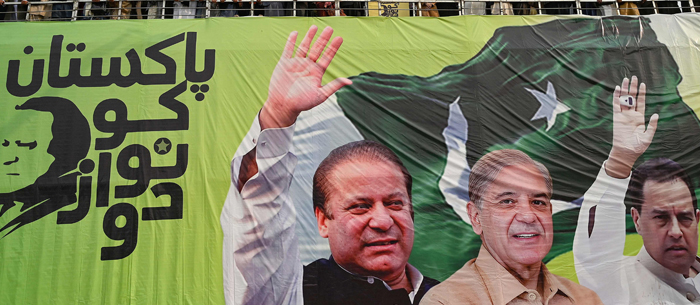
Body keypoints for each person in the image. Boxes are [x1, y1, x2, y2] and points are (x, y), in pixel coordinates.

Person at [221, 25, 440, 305]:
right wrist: (277, 116)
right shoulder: (295, 293)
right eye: (360, 206)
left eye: (395, 204)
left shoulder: (460, 296)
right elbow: (257, 223)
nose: (383, 221)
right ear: (323, 220)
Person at [573, 76, 700, 304]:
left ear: (697, 219)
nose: (676, 232)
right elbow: (594, 254)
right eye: (660, 218)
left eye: (685, 218)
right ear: (637, 221)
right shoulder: (616, 282)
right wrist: (620, 159)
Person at [421, 148, 602, 304]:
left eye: (538, 202)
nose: (528, 216)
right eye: (507, 201)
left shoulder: (585, 299)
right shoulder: (445, 302)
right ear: (476, 217)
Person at [0, 97, 91, 236]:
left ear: (55, 149)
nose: (11, 158)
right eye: (4, 144)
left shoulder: (60, 204)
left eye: (27, 145)